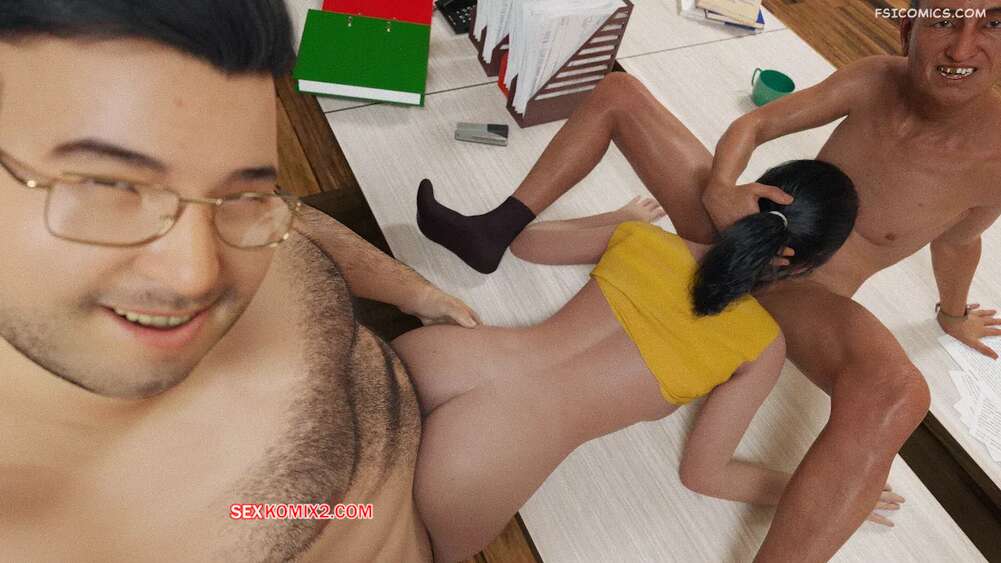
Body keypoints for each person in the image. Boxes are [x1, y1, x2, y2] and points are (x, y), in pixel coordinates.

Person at [416, 2, 1001, 559]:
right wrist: (722, 190)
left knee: (900, 393)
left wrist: (952, 314)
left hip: (806, 292)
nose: (964, 46)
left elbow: (958, 240)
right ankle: (493, 229)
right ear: (908, 31)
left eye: (993, 25)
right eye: (946, 20)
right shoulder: (874, 77)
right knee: (621, 92)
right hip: (744, 224)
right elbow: (756, 123)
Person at [0, 2, 479, 560]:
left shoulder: (232, 211)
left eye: (237, 195)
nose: (195, 275)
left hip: (421, 445)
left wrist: (416, 292)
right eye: (110, 187)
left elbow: (287, 213)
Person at [400, 160, 902, 562]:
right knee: (374, 535)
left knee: (346, 487)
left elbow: (528, 243)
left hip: (444, 357)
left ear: (747, 200)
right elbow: (704, 474)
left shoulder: (643, 239)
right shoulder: (762, 345)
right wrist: (814, 490)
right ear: (806, 267)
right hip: (488, 454)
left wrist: (623, 218)